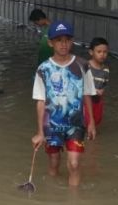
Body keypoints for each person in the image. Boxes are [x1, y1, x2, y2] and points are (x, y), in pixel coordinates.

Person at [31, 21, 96, 187]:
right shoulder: (43, 69)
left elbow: (87, 94)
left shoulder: (83, 65)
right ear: (50, 42)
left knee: (74, 164)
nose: (63, 44)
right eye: (59, 40)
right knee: (54, 163)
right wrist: (40, 132)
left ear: (72, 41)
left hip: (76, 124)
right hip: (52, 125)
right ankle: (54, 196)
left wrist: (92, 123)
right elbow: (40, 101)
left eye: (67, 40)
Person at [86, 37, 110, 128]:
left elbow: (104, 84)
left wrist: (102, 90)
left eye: (105, 52)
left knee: (97, 119)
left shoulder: (106, 70)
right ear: (91, 52)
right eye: (99, 52)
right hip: (85, 101)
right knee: (85, 121)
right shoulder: (85, 66)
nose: (102, 55)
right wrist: (93, 90)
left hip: (97, 101)